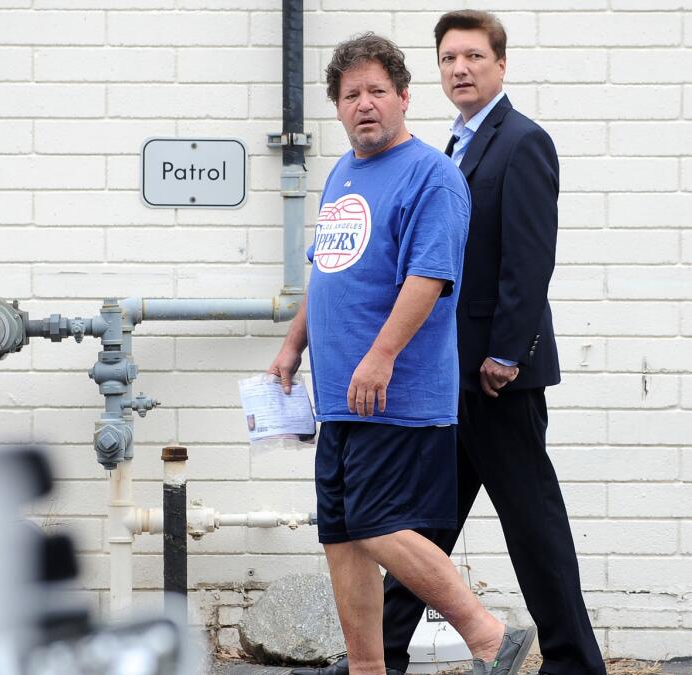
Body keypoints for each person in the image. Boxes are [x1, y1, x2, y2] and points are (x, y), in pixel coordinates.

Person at [271, 33, 533, 675]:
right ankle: (368, 668)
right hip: (339, 393)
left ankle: (487, 632)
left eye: (377, 92)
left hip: (396, 391)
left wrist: (381, 356)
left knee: (373, 523)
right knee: (340, 531)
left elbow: (430, 276)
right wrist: (292, 343)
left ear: (404, 98)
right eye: (351, 94)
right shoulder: (342, 172)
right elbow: (326, 268)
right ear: (336, 107)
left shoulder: (431, 176)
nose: (365, 104)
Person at [374, 11, 607, 675]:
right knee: (422, 523)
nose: (460, 68)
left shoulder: (522, 142)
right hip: (449, 373)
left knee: (533, 526)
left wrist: (506, 353)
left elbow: (528, 260)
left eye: (474, 56)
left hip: (497, 377)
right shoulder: (449, 147)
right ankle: (380, 655)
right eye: (448, 59)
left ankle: (573, 663)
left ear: (501, 65)